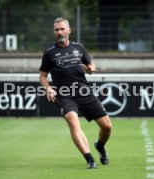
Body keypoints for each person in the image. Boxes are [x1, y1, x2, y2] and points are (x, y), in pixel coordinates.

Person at [39, 17, 112, 169]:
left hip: (84, 92)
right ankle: (90, 159)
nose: (59, 32)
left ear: (69, 30)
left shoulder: (79, 47)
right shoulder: (49, 53)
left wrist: (91, 68)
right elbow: (43, 76)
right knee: (73, 121)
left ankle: (100, 146)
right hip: (64, 94)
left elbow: (90, 64)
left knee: (107, 127)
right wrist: (48, 88)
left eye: (62, 29)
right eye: (56, 30)